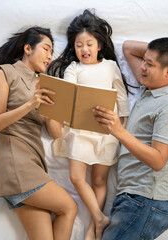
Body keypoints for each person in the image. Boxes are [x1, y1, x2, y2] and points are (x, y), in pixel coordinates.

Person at [0, 26, 77, 240]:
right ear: (27, 48)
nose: (50, 56)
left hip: (34, 163)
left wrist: (58, 109)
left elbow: (54, 133)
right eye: (46, 49)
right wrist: (31, 103)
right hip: (16, 163)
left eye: (52, 51)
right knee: (69, 207)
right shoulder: (6, 73)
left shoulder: (44, 84)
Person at [93, 37, 168, 240]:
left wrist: (118, 131)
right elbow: (128, 48)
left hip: (147, 201)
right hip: (135, 199)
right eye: (144, 61)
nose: (143, 67)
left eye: (150, 64)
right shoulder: (151, 88)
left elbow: (158, 160)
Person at [47, 10, 130, 240]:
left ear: (99, 45)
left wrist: (122, 125)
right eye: (79, 45)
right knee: (76, 177)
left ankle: (94, 228)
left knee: (99, 180)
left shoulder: (111, 66)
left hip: (106, 130)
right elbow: (67, 94)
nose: (84, 50)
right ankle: (100, 217)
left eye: (89, 44)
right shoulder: (74, 69)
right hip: (80, 130)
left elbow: (121, 97)